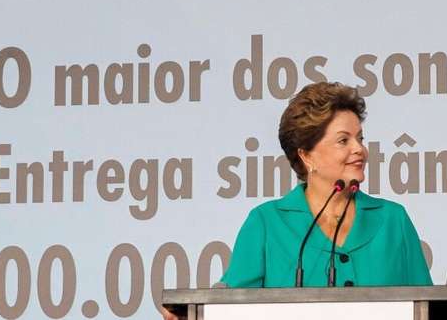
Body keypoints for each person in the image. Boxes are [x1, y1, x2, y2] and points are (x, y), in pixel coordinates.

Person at [161, 82, 431, 319]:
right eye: (343, 140)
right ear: (306, 155)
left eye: (360, 138)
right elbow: (230, 304)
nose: (359, 149)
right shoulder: (266, 223)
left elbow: (428, 310)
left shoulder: (393, 220)